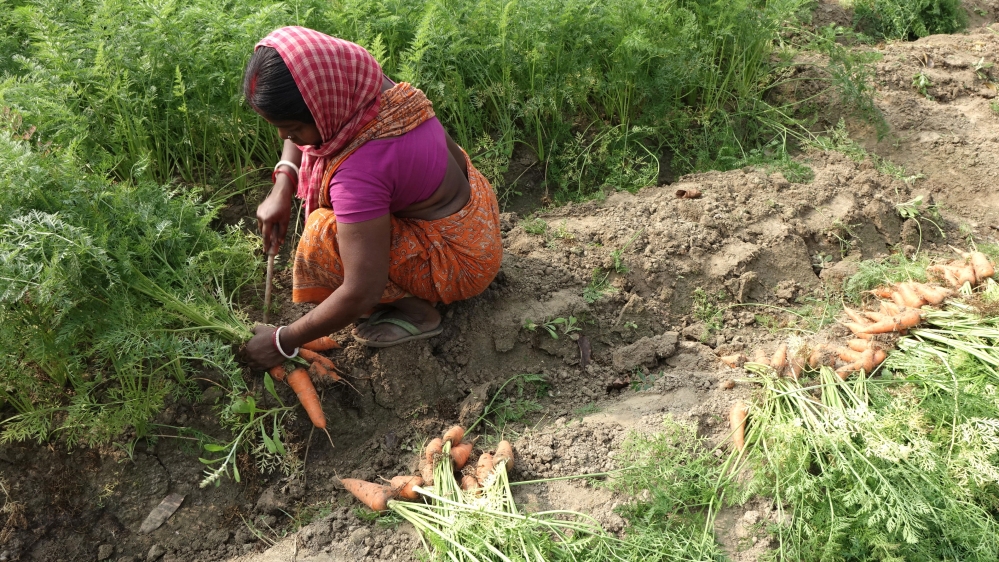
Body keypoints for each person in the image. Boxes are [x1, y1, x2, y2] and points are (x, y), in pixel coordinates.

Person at [240, 26, 502, 370]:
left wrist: (282, 341)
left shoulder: (361, 170)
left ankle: (418, 313)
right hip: (474, 214)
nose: (283, 137)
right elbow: (305, 122)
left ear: (322, 106)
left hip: (460, 262)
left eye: (292, 129)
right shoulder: (357, 81)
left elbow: (362, 289)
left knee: (322, 233)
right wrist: (284, 182)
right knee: (351, 217)